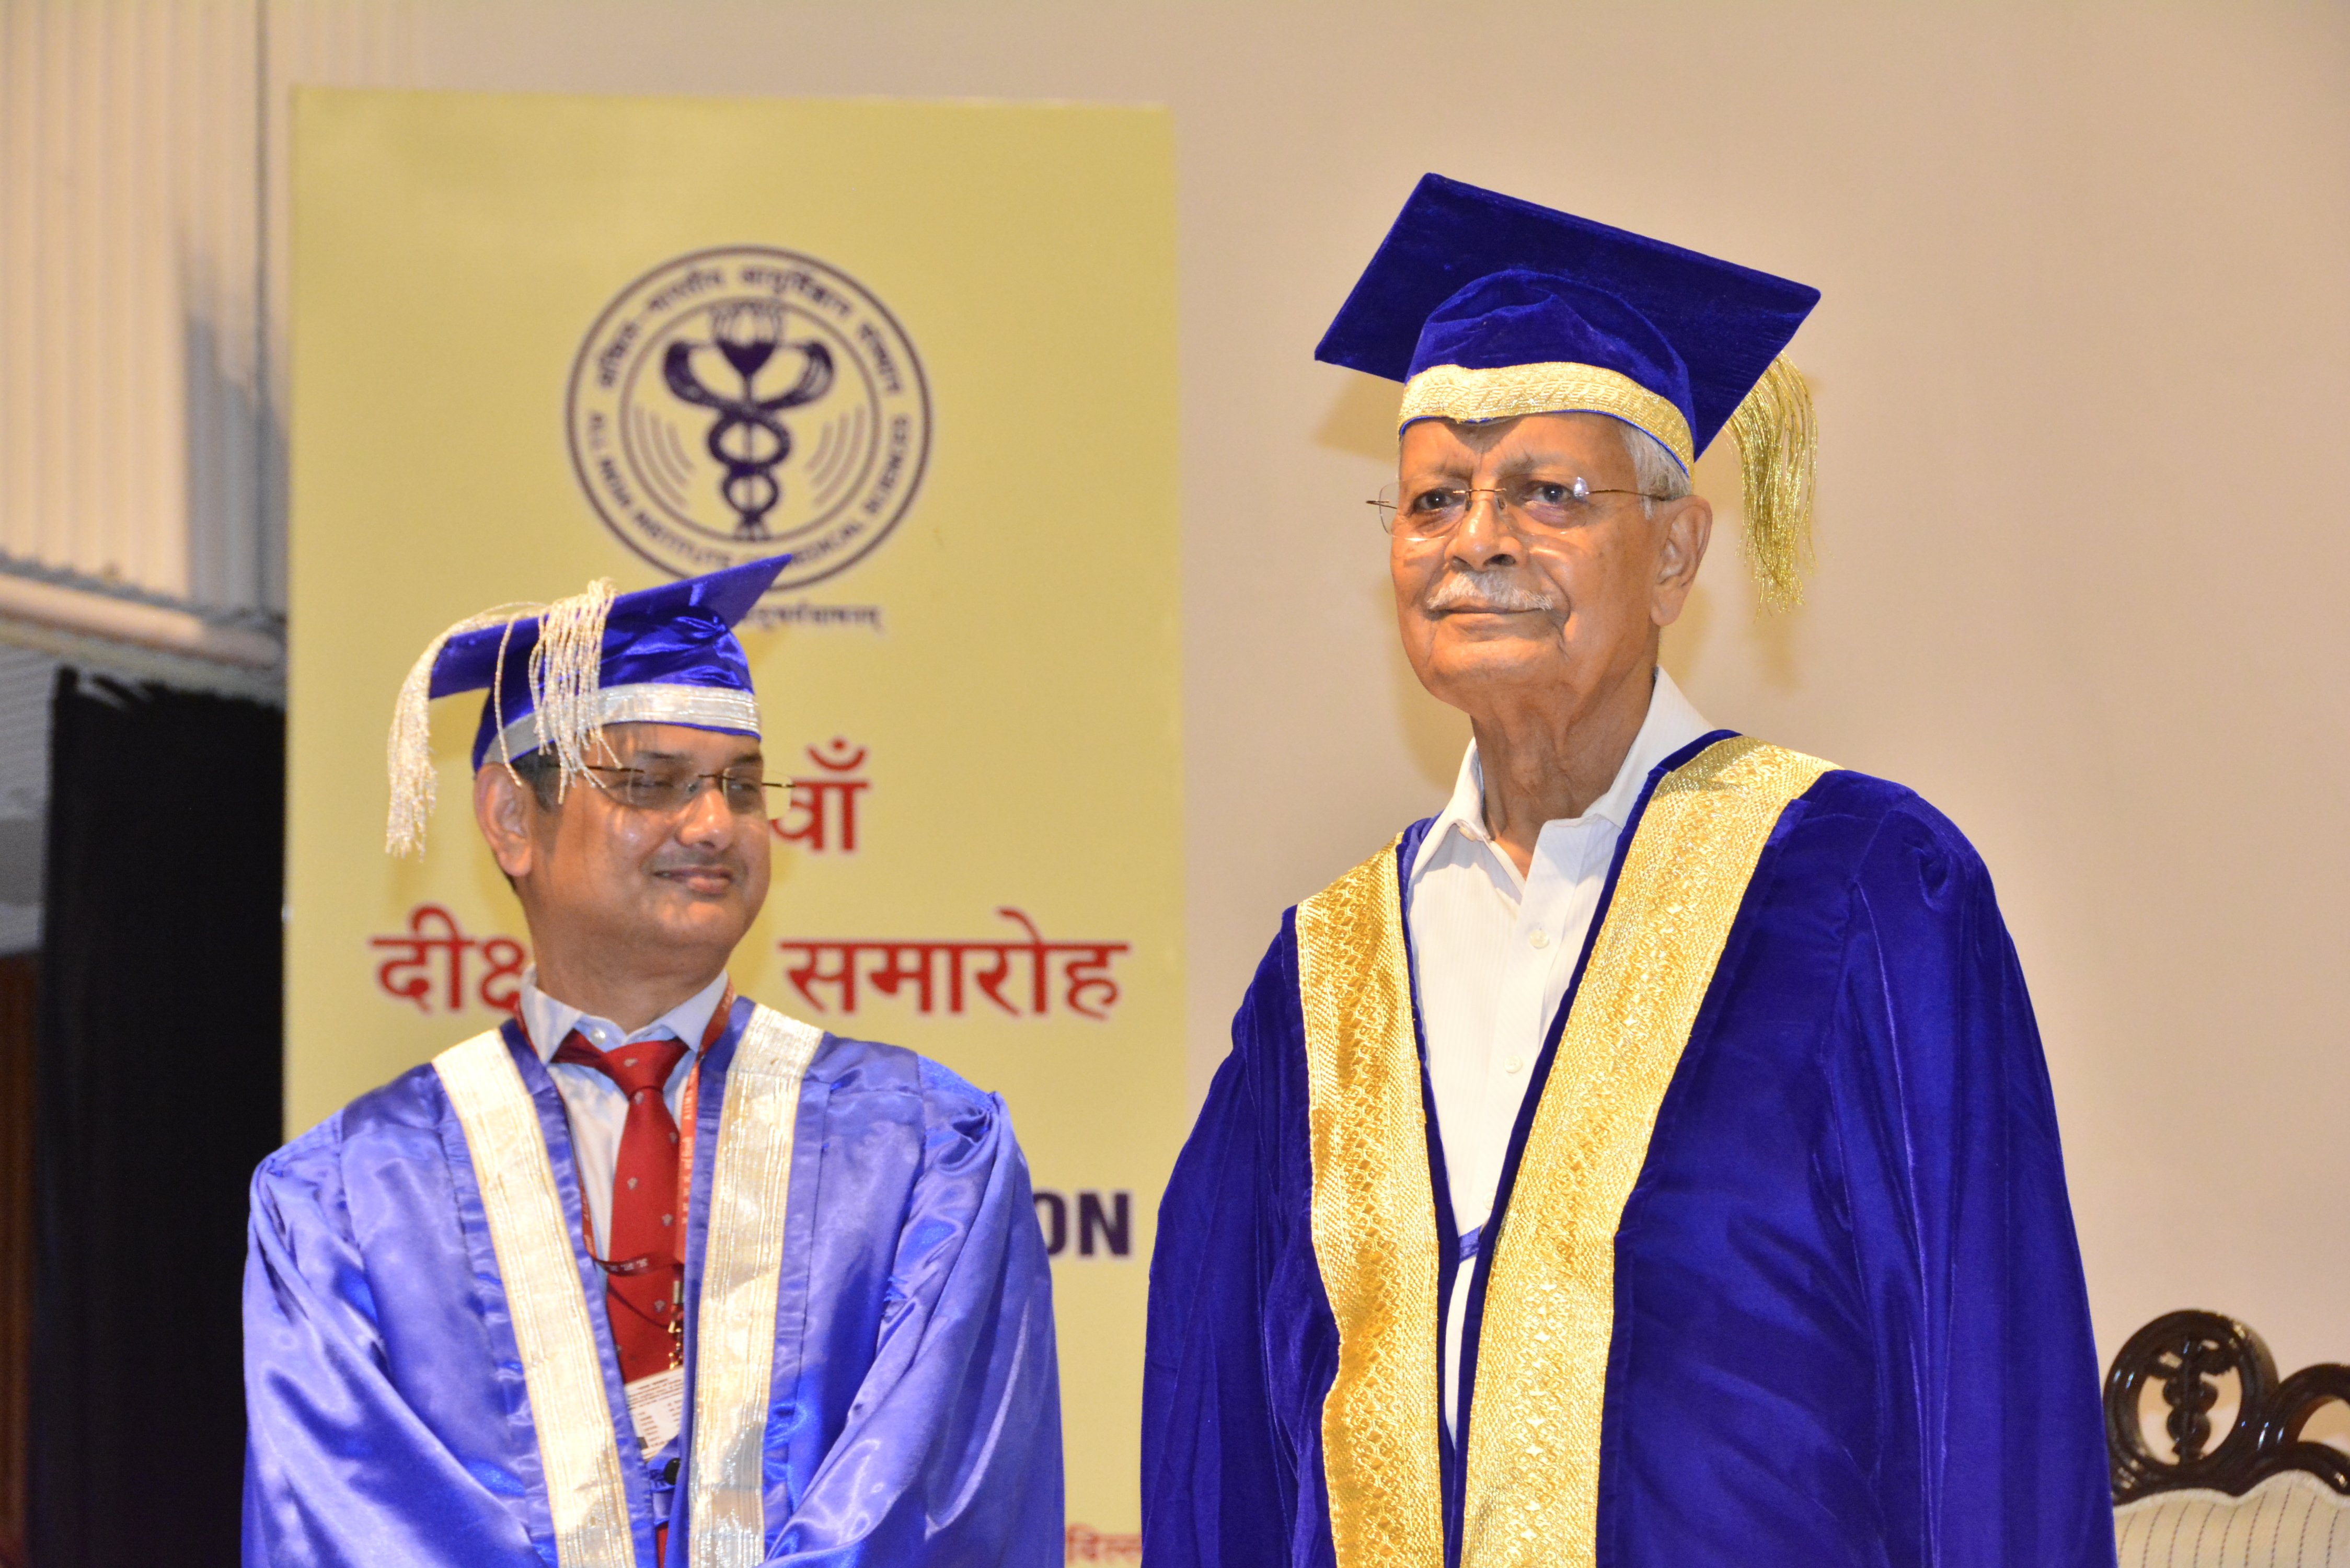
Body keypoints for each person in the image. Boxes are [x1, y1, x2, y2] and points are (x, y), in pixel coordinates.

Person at [1142, 175, 2114, 1568]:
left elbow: (1987, 1412)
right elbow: (1222, 1459)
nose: (1477, 538)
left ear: (1673, 551)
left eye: (1548, 493)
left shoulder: (1857, 893)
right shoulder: (1322, 976)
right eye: (1431, 500)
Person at [243, 558, 1062, 1567]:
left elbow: (931, 1511)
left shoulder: (924, 1150)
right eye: (651, 783)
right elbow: (357, 1526)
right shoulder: (347, 1199)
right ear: (512, 819)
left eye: (744, 788)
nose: (715, 825)